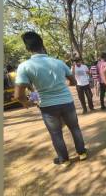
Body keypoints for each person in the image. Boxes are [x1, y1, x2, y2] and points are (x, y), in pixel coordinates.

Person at [14, 31, 87, 167]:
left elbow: (18, 95)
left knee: (56, 133)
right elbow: (73, 82)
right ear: (42, 44)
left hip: (47, 106)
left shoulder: (25, 66)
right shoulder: (58, 63)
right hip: (67, 102)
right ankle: (82, 153)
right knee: (75, 128)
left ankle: (64, 160)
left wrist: (28, 102)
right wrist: (62, 86)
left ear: (27, 49)